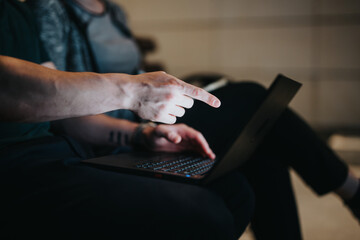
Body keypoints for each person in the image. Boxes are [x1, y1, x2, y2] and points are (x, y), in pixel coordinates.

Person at [28, 0, 360, 239]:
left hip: (151, 115)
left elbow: (136, 72)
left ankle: (352, 191)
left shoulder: (113, 10)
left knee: (259, 135)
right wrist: (139, 128)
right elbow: (62, 102)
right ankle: (352, 190)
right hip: (117, 123)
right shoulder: (50, 9)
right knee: (251, 98)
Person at [0, 0, 256, 239]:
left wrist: (141, 135)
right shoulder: (44, 8)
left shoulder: (18, 11)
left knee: (233, 189)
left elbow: (62, 116)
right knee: (202, 211)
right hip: (14, 168)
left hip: (59, 152)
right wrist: (131, 91)